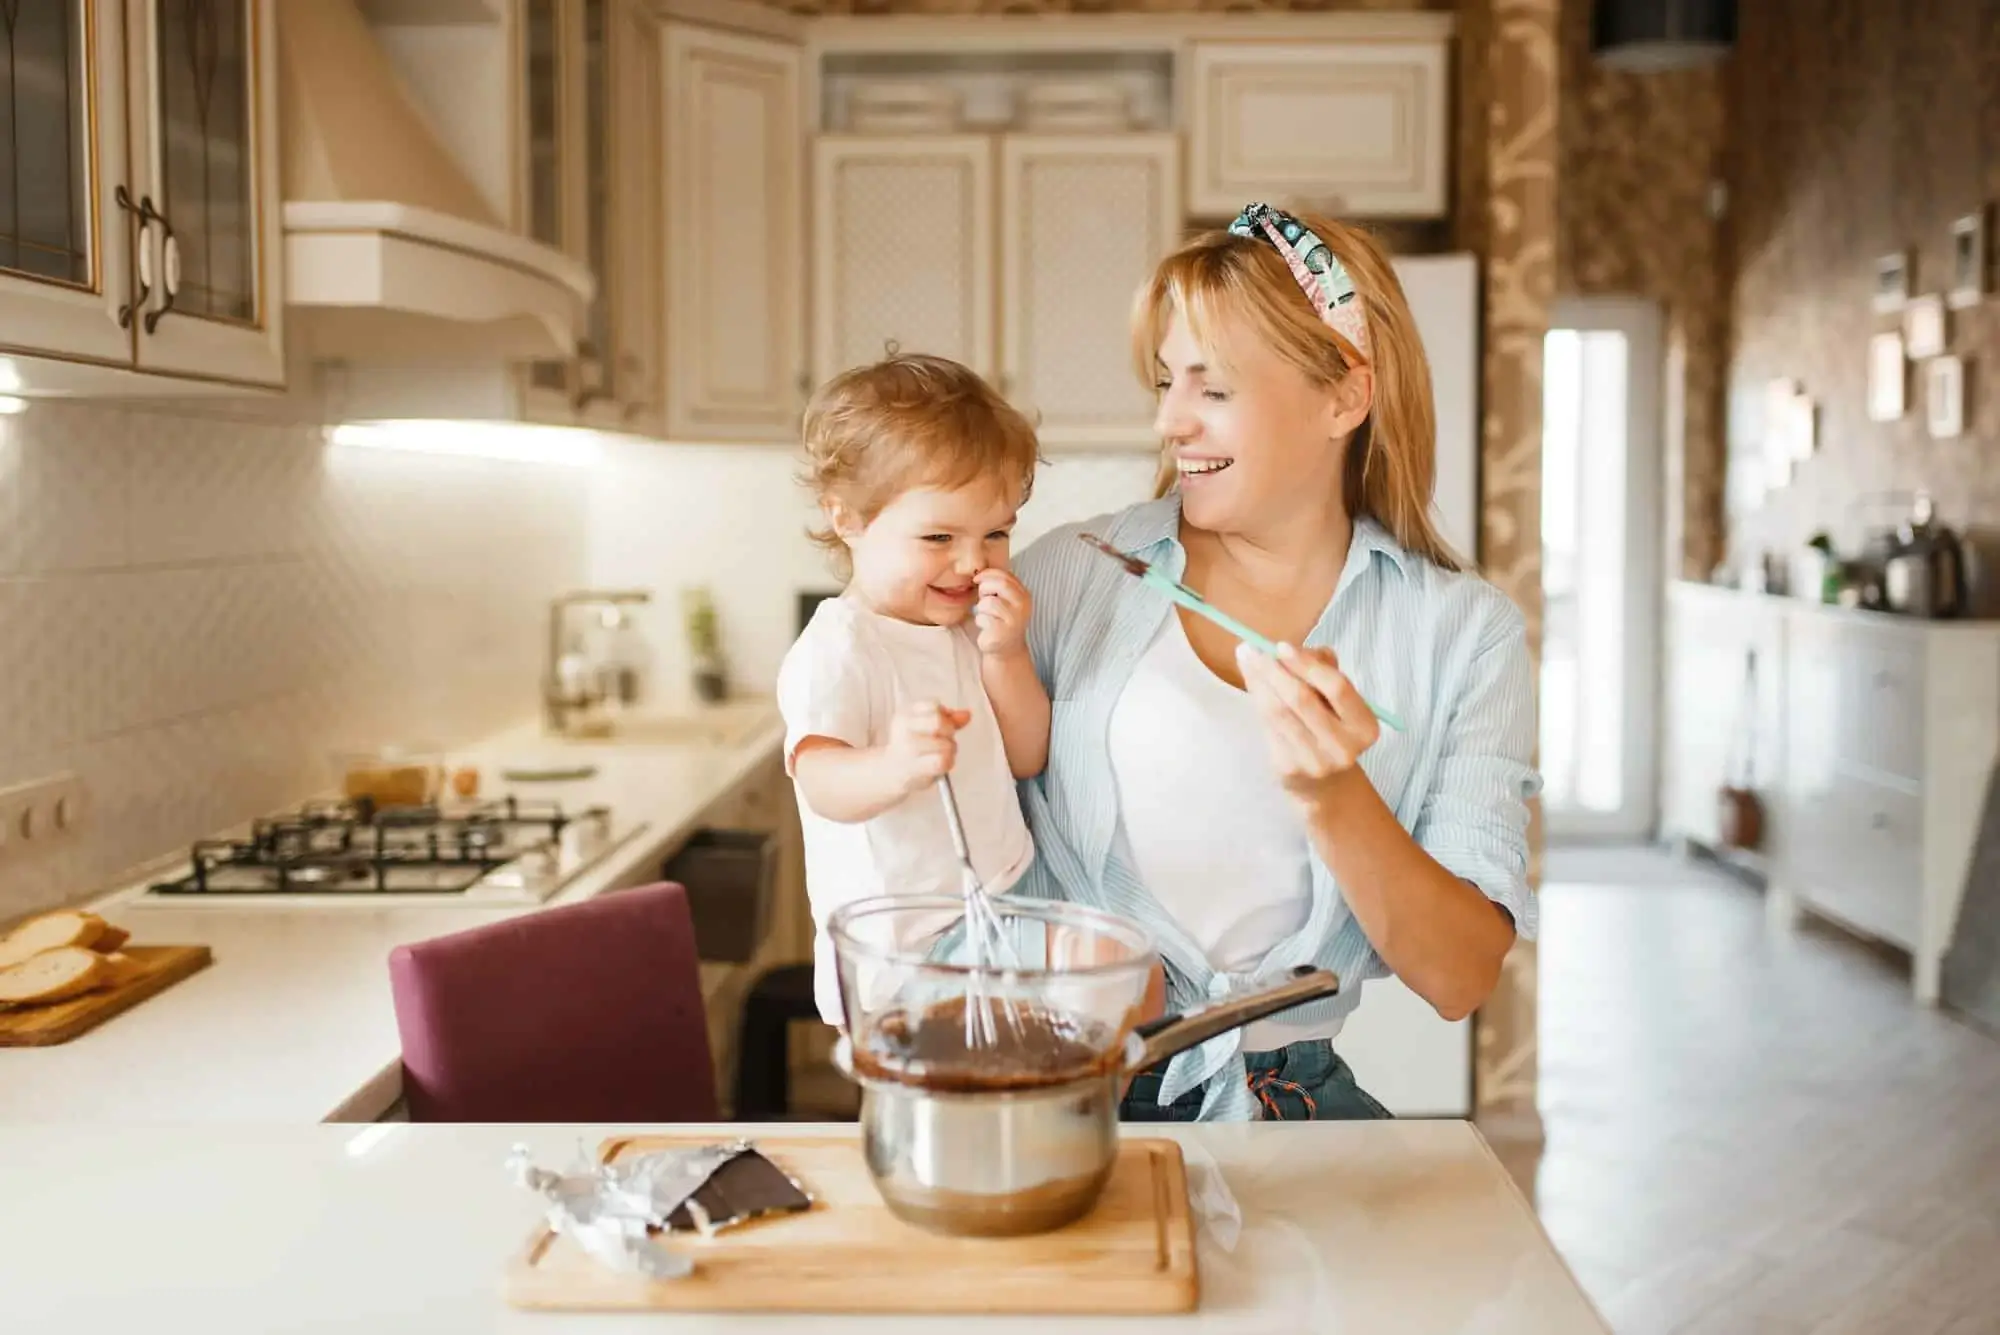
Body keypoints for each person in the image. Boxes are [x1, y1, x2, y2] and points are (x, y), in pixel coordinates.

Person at [1009, 204, 1541, 1122]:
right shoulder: (1070, 575)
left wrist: (1338, 795)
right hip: (1057, 1088)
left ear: (1343, 397)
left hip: (1290, 1103)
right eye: (1167, 382)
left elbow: (1460, 978)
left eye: (1212, 390)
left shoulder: (1463, 634)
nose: (1170, 422)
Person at [776, 353, 1049, 1028]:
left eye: (996, 532)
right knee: (925, 1113)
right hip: (902, 952)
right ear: (849, 519)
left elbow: (1026, 755)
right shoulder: (841, 645)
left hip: (995, 912)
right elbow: (822, 782)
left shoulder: (960, 629)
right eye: (938, 536)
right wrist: (892, 765)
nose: (972, 561)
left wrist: (1006, 653)